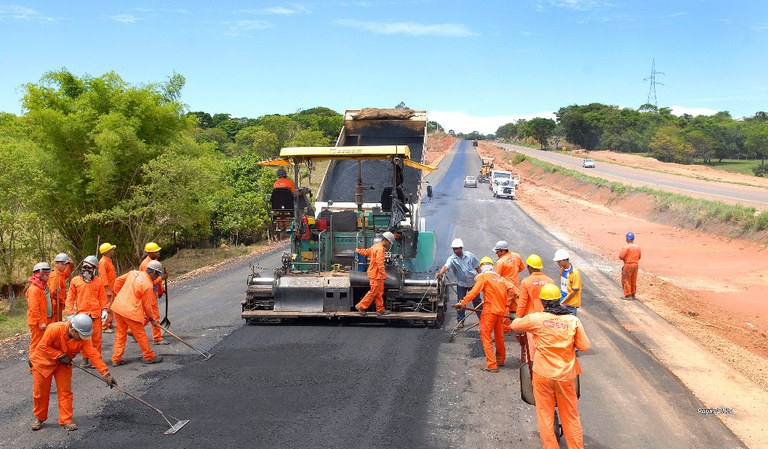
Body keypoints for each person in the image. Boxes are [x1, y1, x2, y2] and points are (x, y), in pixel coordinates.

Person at [511, 284, 590, 449]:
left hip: (542, 375)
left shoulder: (537, 319)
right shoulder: (572, 320)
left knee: (545, 416)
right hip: (565, 376)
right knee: (570, 416)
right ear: (558, 300)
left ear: (542, 302)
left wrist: (520, 319)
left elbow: (515, 325)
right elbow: (584, 346)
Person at [29, 314, 117, 431]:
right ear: (72, 329)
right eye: (80, 336)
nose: (81, 339)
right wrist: (59, 355)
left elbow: (93, 355)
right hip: (43, 363)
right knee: (40, 393)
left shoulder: (82, 339)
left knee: (65, 392)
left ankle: (66, 420)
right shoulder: (54, 329)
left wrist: (106, 374)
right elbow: (43, 346)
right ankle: (39, 418)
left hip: (63, 365)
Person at [452, 257, 518, 373]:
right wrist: (506, 302)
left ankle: (491, 364)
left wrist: (462, 302)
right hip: (501, 311)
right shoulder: (500, 279)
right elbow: (513, 290)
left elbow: (474, 291)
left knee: (486, 336)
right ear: (492, 266)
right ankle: (500, 360)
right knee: (499, 336)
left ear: (482, 267)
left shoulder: (483, 277)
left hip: (489, 311)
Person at [110, 261, 165, 366]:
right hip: (130, 311)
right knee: (140, 334)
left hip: (118, 307)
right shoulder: (148, 285)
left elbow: (117, 281)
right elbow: (147, 307)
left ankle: (116, 359)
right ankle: (149, 356)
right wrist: (152, 319)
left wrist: (120, 295)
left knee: (120, 334)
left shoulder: (133, 273)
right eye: (157, 274)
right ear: (153, 272)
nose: (157, 277)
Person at [64, 256, 108, 367]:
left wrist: (104, 309)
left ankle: (96, 359)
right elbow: (70, 298)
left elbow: (103, 298)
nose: (86, 270)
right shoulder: (75, 281)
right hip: (81, 315)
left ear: (94, 269)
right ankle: (85, 358)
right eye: (85, 267)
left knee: (97, 338)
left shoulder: (99, 281)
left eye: (89, 268)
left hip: (95, 314)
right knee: (82, 338)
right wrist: (70, 313)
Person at [435, 238, 482, 328]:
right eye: (454, 249)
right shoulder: (452, 259)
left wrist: (481, 277)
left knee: (477, 301)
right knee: (461, 302)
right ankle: (460, 321)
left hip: (473, 282)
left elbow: (477, 267)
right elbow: (446, 266)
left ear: (461, 248)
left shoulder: (470, 256)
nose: (455, 251)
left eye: (457, 249)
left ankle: (482, 319)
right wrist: (440, 273)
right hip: (461, 284)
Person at [355, 232, 394, 315]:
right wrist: (384, 274)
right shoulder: (380, 249)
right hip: (376, 274)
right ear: (385, 240)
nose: (389, 245)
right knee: (373, 292)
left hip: (376, 274)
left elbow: (367, 252)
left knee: (379, 293)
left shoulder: (376, 246)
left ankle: (380, 310)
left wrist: (358, 250)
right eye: (389, 243)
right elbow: (380, 263)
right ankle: (360, 306)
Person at [493, 240, 526, 332]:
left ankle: (506, 327)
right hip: (515, 284)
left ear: (503, 250)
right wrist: (513, 273)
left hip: (506, 287)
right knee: (516, 303)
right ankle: (519, 322)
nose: (496, 253)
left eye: (497, 251)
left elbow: (496, 277)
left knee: (504, 305)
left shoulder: (501, 262)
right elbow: (522, 267)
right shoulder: (516, 256)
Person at [139, 242, 168, 345]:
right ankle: (157, 338)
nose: (158, 253)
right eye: (156, 251)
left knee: (149, 315)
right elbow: (149, 281)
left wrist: (161, 290)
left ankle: (133, 330)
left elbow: (157, 280)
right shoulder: (145, 265)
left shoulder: (154, 261)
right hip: (148, 293)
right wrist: (162, 277)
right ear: (150, 253)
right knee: (154, 315)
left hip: (153, 292)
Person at [26, 262, 55, 362]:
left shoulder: (44, 287)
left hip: (46, 319)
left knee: (45, 342)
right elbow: (33, 308)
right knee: (36, 343)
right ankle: (33, 364)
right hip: (37, 322)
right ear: (40, 274)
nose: (48, 277)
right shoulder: (34, 289)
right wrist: (40, 322)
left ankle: (42, 362)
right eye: (47, 275)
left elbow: (47, 301)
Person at [517, 254, 555, 319]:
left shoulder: (526, 282)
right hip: (546, 315)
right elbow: (554, 301)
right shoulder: (550, 281)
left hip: (531, 317)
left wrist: (518, 318)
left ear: (530, 267)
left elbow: (522, 302)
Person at [553, 249, 582, 316]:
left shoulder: (575, 274)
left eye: (559, 261)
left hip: (570, 305)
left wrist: (564, 302)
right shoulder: (562, 270)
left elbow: (574, 291)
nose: (558, 263)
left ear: (565, 260)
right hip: (562, 301)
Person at [48, 253, 74, 321]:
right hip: (54, 306)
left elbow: (67, 273)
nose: (64, 266)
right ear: (57, 264)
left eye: (65, 264)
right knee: (55, 323)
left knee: (59, 321)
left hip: (59, 305)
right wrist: (63, 300)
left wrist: (71, 265)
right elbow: (53, 292)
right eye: (62, 264)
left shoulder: (60, 273)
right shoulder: (55, 276)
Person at [98, 243, 118, 332]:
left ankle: (109, 323)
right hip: (107, 288)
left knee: (111, 307)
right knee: (107, 306)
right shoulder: (103, 262)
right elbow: (103, 276)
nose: (113, 251)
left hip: (112, 287)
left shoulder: (108, 260)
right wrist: (107, 289)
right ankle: (104, 326)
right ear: (108, 251)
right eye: (111, 250)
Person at [619, 232, 641, 300]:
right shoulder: (637, 247)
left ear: (627, 239)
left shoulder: (626, 247)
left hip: (628, 265)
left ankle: (628, 295)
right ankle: (633, 294)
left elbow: (621, 256)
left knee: (626, 279)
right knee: (633, 279)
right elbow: (639, 257)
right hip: (635, 265)